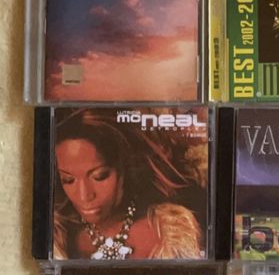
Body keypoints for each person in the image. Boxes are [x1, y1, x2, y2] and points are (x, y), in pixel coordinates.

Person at [53, 109, 205, 260]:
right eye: (68, 180)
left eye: (99, 176)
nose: (84, 196)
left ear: (124, 168)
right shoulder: (56, 238)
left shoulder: (171, 233)